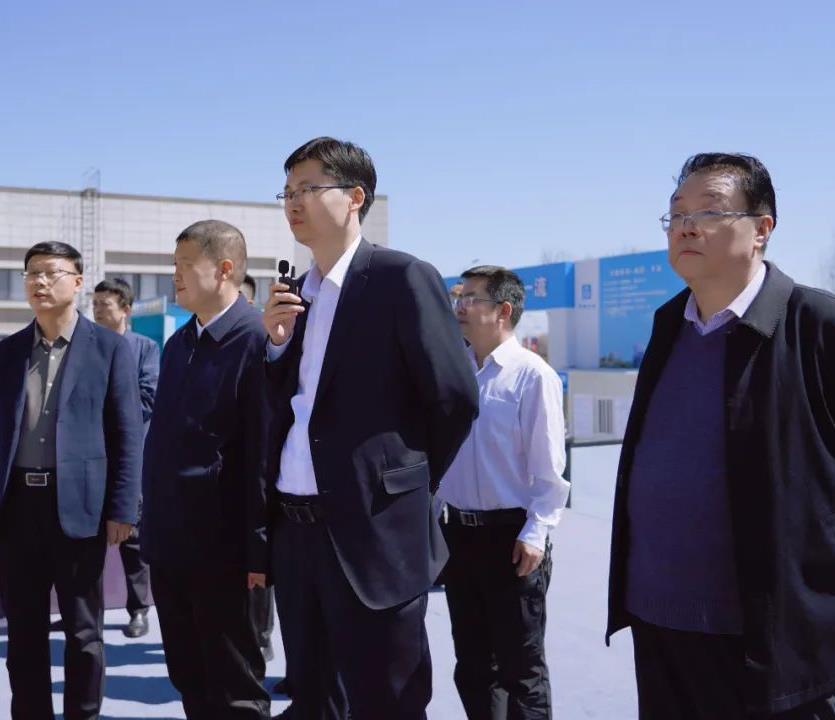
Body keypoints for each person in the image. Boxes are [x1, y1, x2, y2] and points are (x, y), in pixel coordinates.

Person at [607, 153, 835, 718]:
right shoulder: (668, 325)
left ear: (761, 229)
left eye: (709, 211)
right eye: (676, 213)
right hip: (659, 627)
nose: (686, 226)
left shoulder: (816, 326)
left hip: (771, 646)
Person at [263, 136, 478, 719]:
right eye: (286, 191)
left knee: (388, 699)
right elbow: (288, 409)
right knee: (313, 699)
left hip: (374, 531)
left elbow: (455, 398)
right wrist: (276, 349)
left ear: (355, 197)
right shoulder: (294, 295)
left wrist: (403, 481)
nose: (293, 202)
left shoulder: (400, 277)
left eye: (309, 188)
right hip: (297, 531)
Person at [0, 241, 143, 720]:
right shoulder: (8, 352)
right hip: (17, 508)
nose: (39, 281)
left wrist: (123, 508)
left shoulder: (109, 348)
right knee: (23, 631)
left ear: (77, 281)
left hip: (79, 507)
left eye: (51, 272)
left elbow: (126, 434)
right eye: (31, 273)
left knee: (83, 631)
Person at [141, 220, 271, 719]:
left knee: (234, 687)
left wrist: (258, 548)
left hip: (225, 549)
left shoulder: (257, 340)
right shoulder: (180, 344)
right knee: (189, 677)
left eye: (185, 265)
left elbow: (262, 453)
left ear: (224, 269)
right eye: (172, 265)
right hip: (171, 544)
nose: (174, 276)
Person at [437, 265, 568, 719]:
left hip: (512, 540)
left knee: (521, 669)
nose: (460, 307)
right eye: (459, 297)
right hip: (458, 536)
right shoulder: (454, 370)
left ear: (503, 311)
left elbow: (549, 470)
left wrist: (537, 532)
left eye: (472, 298)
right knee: (473, 667)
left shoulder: (533, 376)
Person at [92, 277, 160, 638]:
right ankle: (85, 610)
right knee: (85, 537)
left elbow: (149, 397)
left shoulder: (144, 348)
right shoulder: (86, 347)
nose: (98, 311)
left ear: (126, 310)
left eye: (105, 305)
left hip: (128, 456)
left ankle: (138, 609)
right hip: (89, 456)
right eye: (95, 304)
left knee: (131, 536)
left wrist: (107, 414)